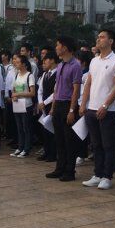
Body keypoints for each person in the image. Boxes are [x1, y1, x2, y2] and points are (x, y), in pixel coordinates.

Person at [80, 30, 115, 190]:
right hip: (91, 108)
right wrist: (83, 103)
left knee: (108, 144)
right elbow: (88, 83)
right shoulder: (94, 61)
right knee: (96, 144)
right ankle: (97, 174)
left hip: (108, 110)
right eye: (98, 37)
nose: (98, 39)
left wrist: (106, 105)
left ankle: (107, 176)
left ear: (111, 41)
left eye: (102, 37)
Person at [48, 37, 83, 181]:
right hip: (58, 104)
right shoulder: (61, 65)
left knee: (69, 140)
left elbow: (76, 90)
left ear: (65, 47)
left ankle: (70, 171)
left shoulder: (76, 65)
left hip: (68, 104)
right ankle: (60, 168)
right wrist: (53, 106)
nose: (56, 48)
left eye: (58, 45)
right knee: (59, 139)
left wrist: (71, 110)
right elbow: (57, 88)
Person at [10, 54, 36, 157]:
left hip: (26, 105)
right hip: (17, 105)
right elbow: (14, 89)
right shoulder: (17, 75)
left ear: (24, 64)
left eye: (18, 62)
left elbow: (32, 93)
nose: (16, 64)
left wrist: (18, 94)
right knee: (19, 127)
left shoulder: (29, 75)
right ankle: (20, 147)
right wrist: (14, 95)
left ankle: (26, 148)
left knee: (26, 127)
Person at [37, 52, 57, 163]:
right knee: (44, 129)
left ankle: (53, 154)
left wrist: (45, 102)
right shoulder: (45, 74)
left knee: (52, 130)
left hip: (52, 105)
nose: (44, 63)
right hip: (43, 106)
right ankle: (46, 151)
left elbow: (56, 92)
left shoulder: (58, 73)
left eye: (46, 60)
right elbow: (40, 90)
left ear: (52, 60)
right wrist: (40, 102)